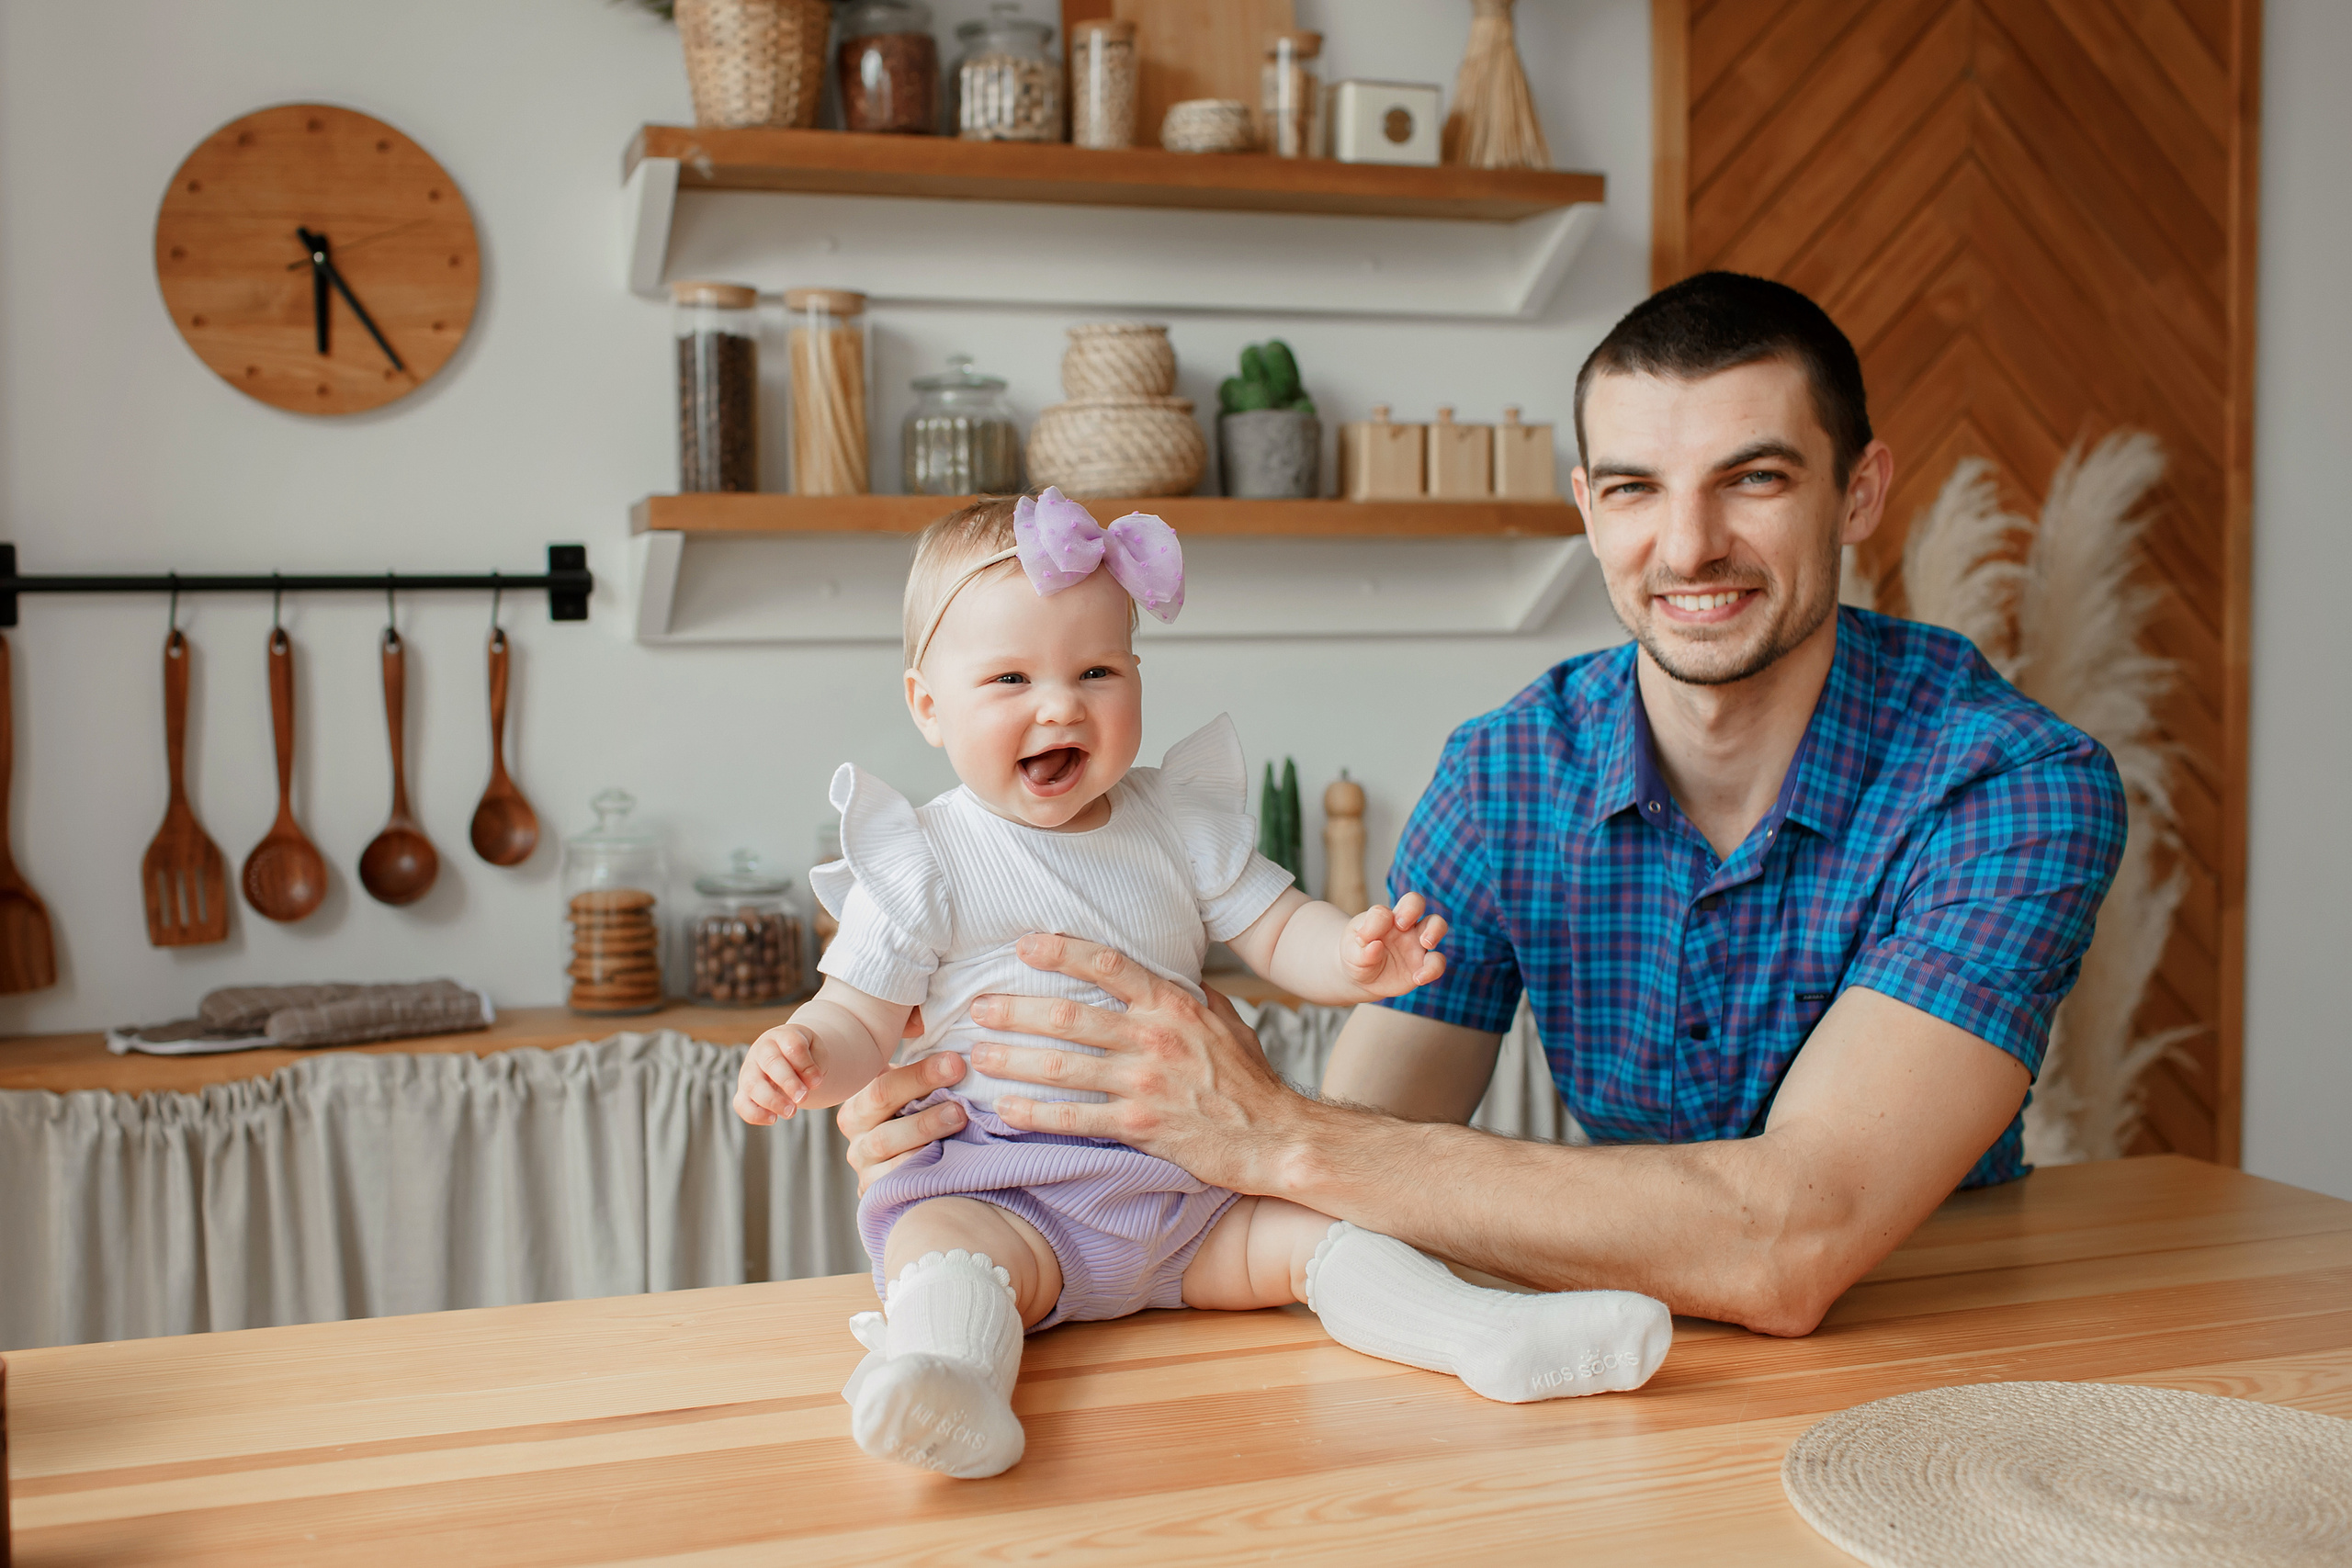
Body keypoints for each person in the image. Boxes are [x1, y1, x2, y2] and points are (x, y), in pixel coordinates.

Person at [832, 273, 2130, 1340]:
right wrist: (990, 1145)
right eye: (1633, 487)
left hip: (1944, 1341)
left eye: (1756, 478)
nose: (1686, 546)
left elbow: (1792, 1240)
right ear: (1587, 507)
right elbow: (1369, 1154)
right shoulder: (1508, 771)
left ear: (1858, 491)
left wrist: (1275, 1127)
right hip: (1629, 1334)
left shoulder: (2013, 785)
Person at [733, 491, 1672, 1480]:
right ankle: (953, 1379)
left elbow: (1278, 927)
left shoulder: (1175, 824)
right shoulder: (923, 859)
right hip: (1009, 1194)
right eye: (1010, 677)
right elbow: (856, 1021)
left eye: (1095, 671)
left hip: (1195, 1187)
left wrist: (1350, 958)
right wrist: (805, 1058)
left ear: (1138, 678)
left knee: (1331, 1232)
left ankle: (1489, 1336)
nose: (1060, 704)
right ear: (928, 704)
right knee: (937, 1247)